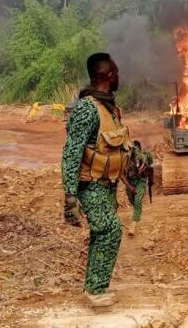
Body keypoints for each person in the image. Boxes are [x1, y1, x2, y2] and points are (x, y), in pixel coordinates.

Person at [61, 52, 131, 307]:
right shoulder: (87, 109)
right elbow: (71, 152)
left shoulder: (108, 108)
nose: (118, 76)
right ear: (109, 76)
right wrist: (70, 196)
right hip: (90, 185)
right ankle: (96, 291)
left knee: (103, 232)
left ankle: (95, 287)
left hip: (106, 184)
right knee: (110, 230)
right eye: (116, 72)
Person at [124, 140, 153, 237]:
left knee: (137, 201)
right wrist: (130, 187)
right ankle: (137, 211)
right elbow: (121, 175)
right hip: (130, 182)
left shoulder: (141, 156)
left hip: (140, 181)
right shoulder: (124, 159)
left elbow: (147, 163)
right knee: (132, 201)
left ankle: (133, 224)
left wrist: (143, 169)